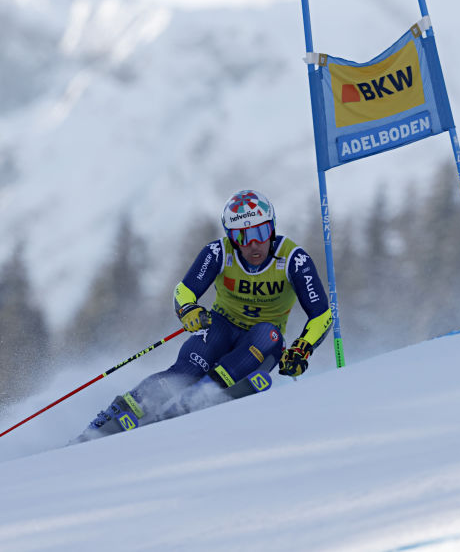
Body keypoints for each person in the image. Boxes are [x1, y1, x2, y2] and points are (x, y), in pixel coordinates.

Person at [73, 189, 333, 443]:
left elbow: (321, 314)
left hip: (260, 339)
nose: (254, 244)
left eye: (261, 232)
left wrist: (302, 349)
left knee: (269, 334)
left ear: (272, 228)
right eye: (243, 237)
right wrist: (189, 310)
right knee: (186, 370)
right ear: (231, 238)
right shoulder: (218, 253)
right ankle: (119, 412)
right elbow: (184, 290)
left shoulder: (293, 259)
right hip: (221, 326)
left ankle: (201, 394)